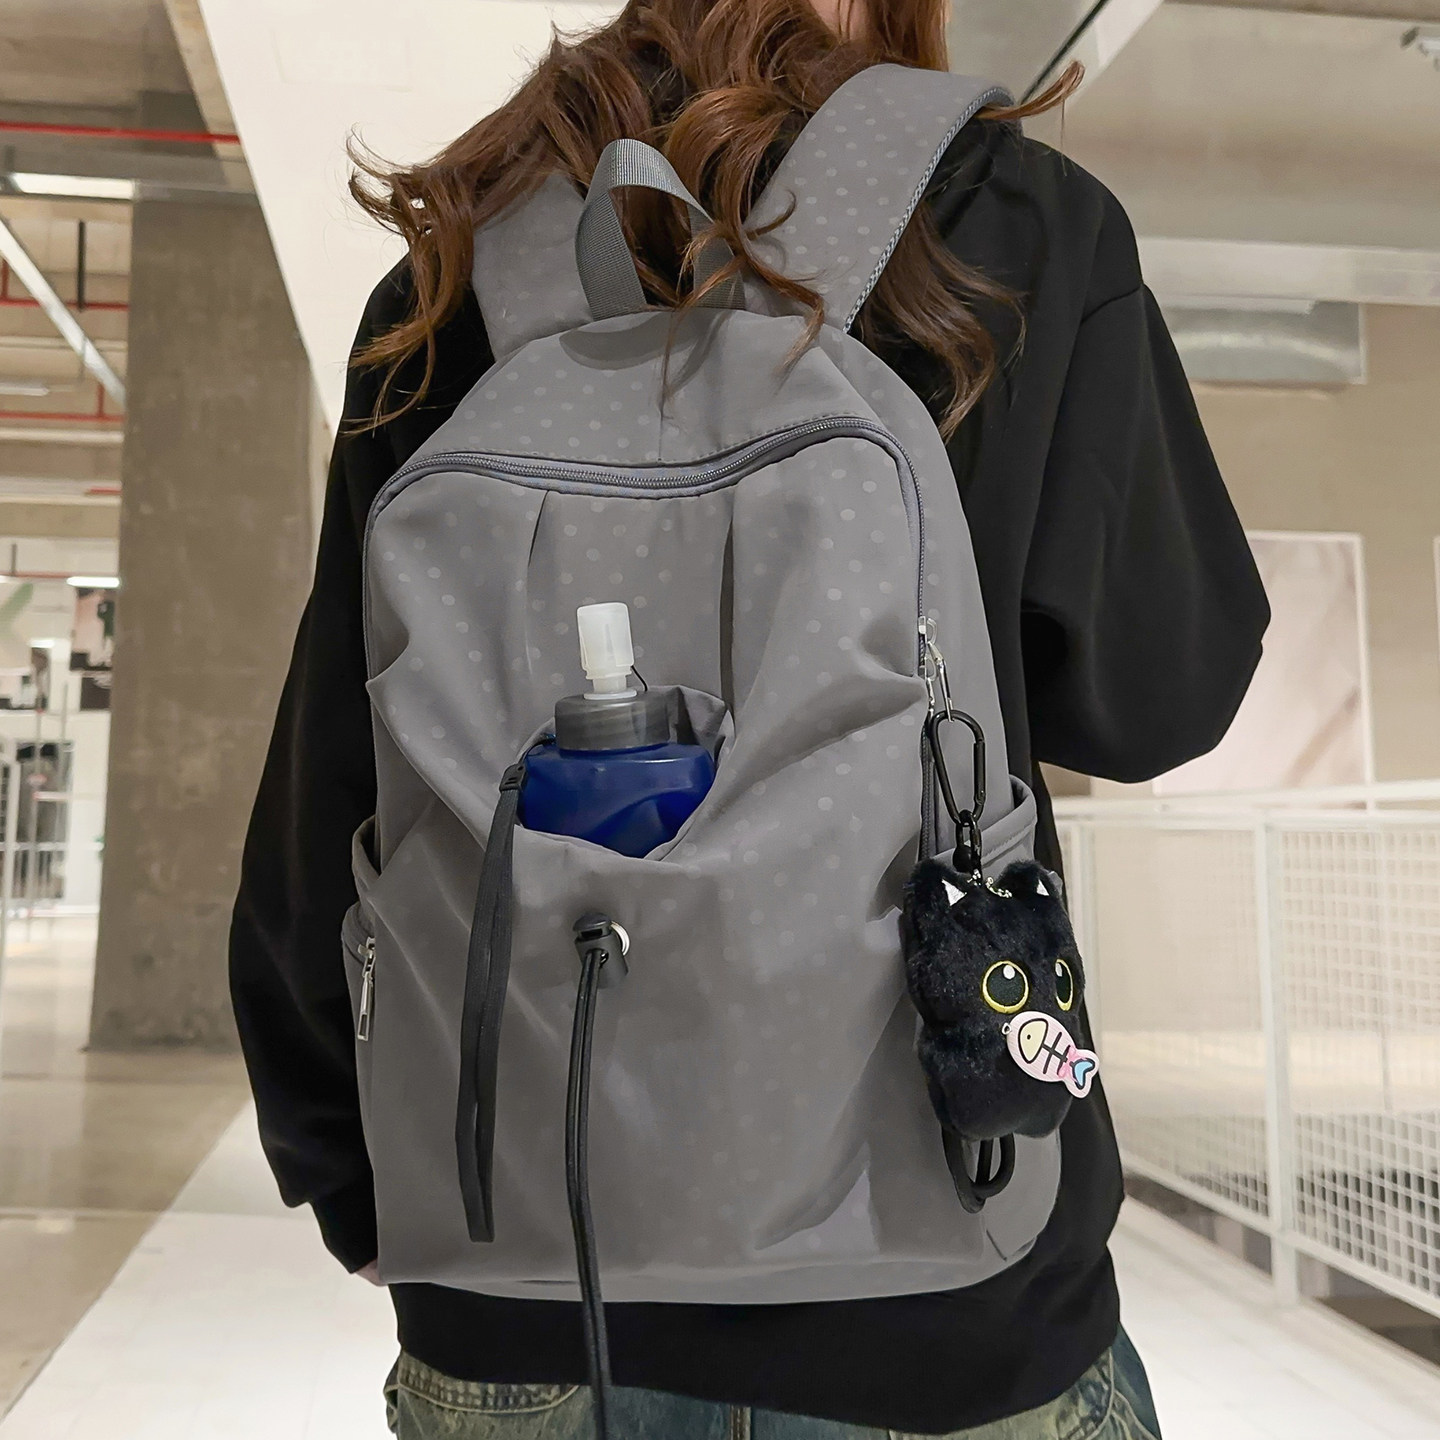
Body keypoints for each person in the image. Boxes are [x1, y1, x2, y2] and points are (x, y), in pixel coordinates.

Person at [229, 1, 1270, 1436]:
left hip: (525, 1273)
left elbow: (330, 794)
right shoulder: (1012, 225)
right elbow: (1161, 698)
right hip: (947, 1293)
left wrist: (353, 1174)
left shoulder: (451, 271)